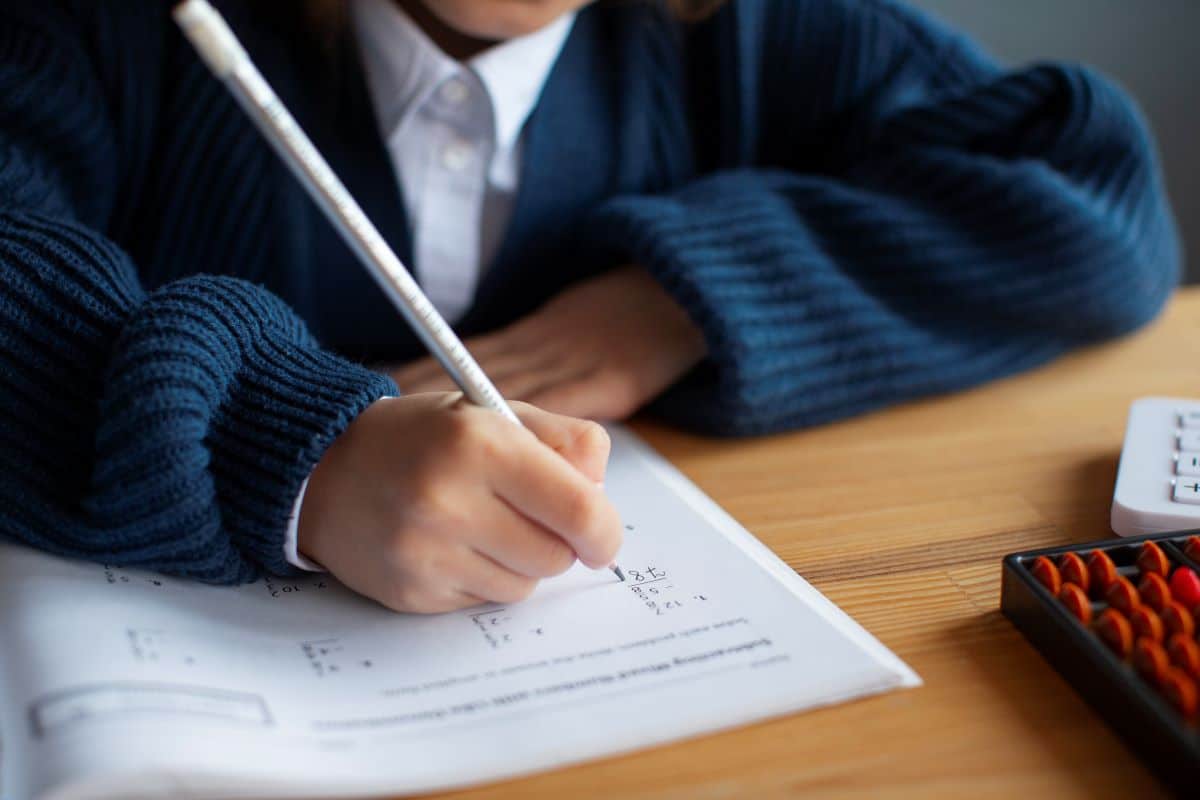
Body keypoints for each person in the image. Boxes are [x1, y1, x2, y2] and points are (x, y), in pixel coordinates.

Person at [0, 0, 1179, 613]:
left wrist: (679, 300)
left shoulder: (749, 35)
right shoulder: (112, 35)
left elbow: (1093, 191)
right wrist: (295, 457)